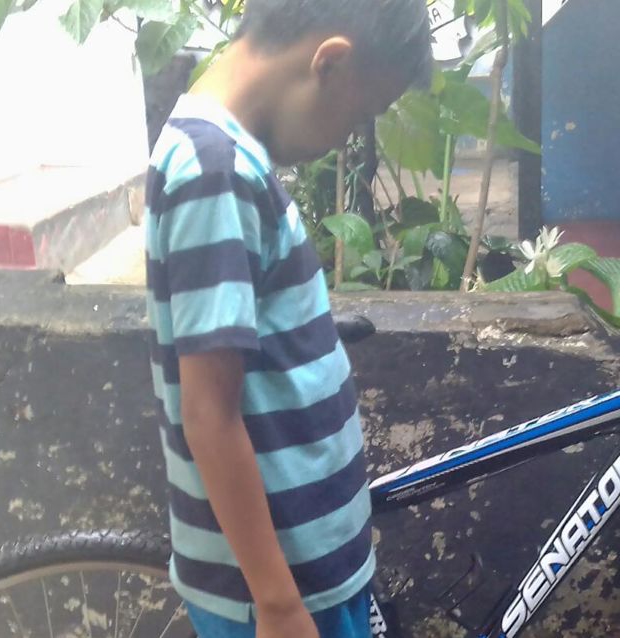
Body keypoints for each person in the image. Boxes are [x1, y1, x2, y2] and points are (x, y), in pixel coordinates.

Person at [145, 2, 432, 637]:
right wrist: (277, 602)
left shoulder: (224, 155)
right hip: (282, 593)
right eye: (357, 116)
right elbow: (209, 413)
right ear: (328, 63)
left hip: (306, 573)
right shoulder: (215, 173)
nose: (346, 139)